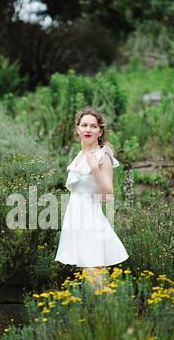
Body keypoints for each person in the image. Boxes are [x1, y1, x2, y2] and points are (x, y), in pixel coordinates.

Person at [54, 106, 129, 290]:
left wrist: (95, 169)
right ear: (77, 129)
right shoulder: (80, 156)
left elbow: (107, 196)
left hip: (90, 220)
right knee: (90, 274)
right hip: (76, 219)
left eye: (93, 126)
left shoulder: (104, 156)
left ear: (100, 131)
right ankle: (98, 313)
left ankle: (104, 313)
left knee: (93, 271)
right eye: (84, 125)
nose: (88, 129)